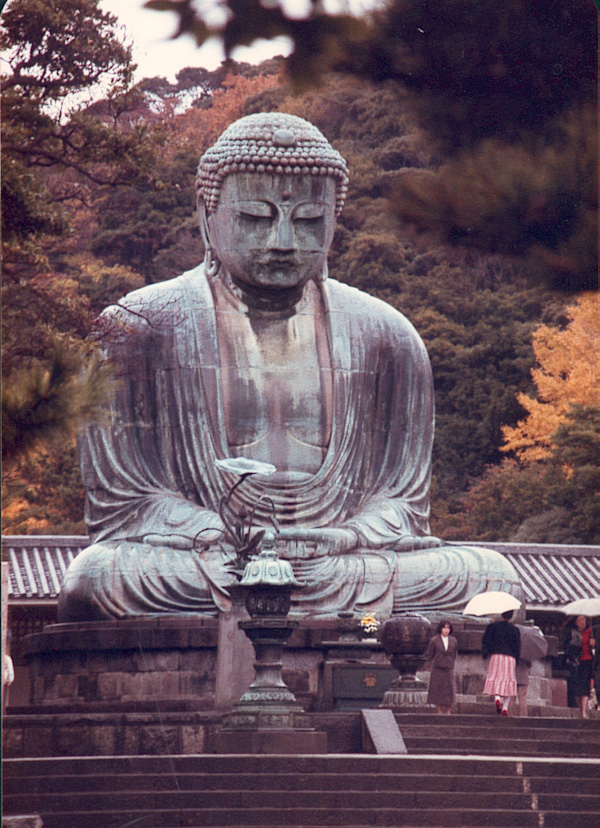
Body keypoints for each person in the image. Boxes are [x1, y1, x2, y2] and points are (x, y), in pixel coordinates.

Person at [58, 112, 523, 622]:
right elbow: (125, 502)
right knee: (99, 576)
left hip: (342, 562)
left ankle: (299, 609)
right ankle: (309, 611)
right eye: (256, 218)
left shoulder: (388, 337)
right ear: (205, 215)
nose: (282, 241)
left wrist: (347, 535)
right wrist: (212, 530)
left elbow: (403, 504)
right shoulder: (137, 329)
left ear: (333, 222)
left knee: (490, 576)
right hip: (211, 558)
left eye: (307, 221)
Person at [482, 610, 520, 716]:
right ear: (511, 616)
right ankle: (505, 707)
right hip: (510, 657)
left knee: (496, 676)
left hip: (496, 655)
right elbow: (517, 646)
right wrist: (517, 659)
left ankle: (497, 697)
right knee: (508, 679)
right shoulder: (515, 629)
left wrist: (485, 653)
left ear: (501, 614)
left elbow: (486, 641)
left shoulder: (493, 627)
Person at [563, 615, 595, 719]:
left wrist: (592, 644)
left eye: (584, 620)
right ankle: (580, 709)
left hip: (587, 661)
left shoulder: (590, 632)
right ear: (576, 622)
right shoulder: (571, 633)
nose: (583, 622)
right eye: (580, 620)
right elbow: (566, 647)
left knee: (585, 686)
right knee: (577, 687)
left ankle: (584, 712)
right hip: (575, 662)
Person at [425, 619, 458, 714]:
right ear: (441, 629)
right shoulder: (434, 641)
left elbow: (454, 654)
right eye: (444, 628)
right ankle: (439, 710)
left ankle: (448, 711)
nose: (446, 630)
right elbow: (430, 655)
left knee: (449, 689)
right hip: (437, 668)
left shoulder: (453, 641)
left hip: (449, 668)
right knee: (437, 689)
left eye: (448, 628)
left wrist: (451, 663)